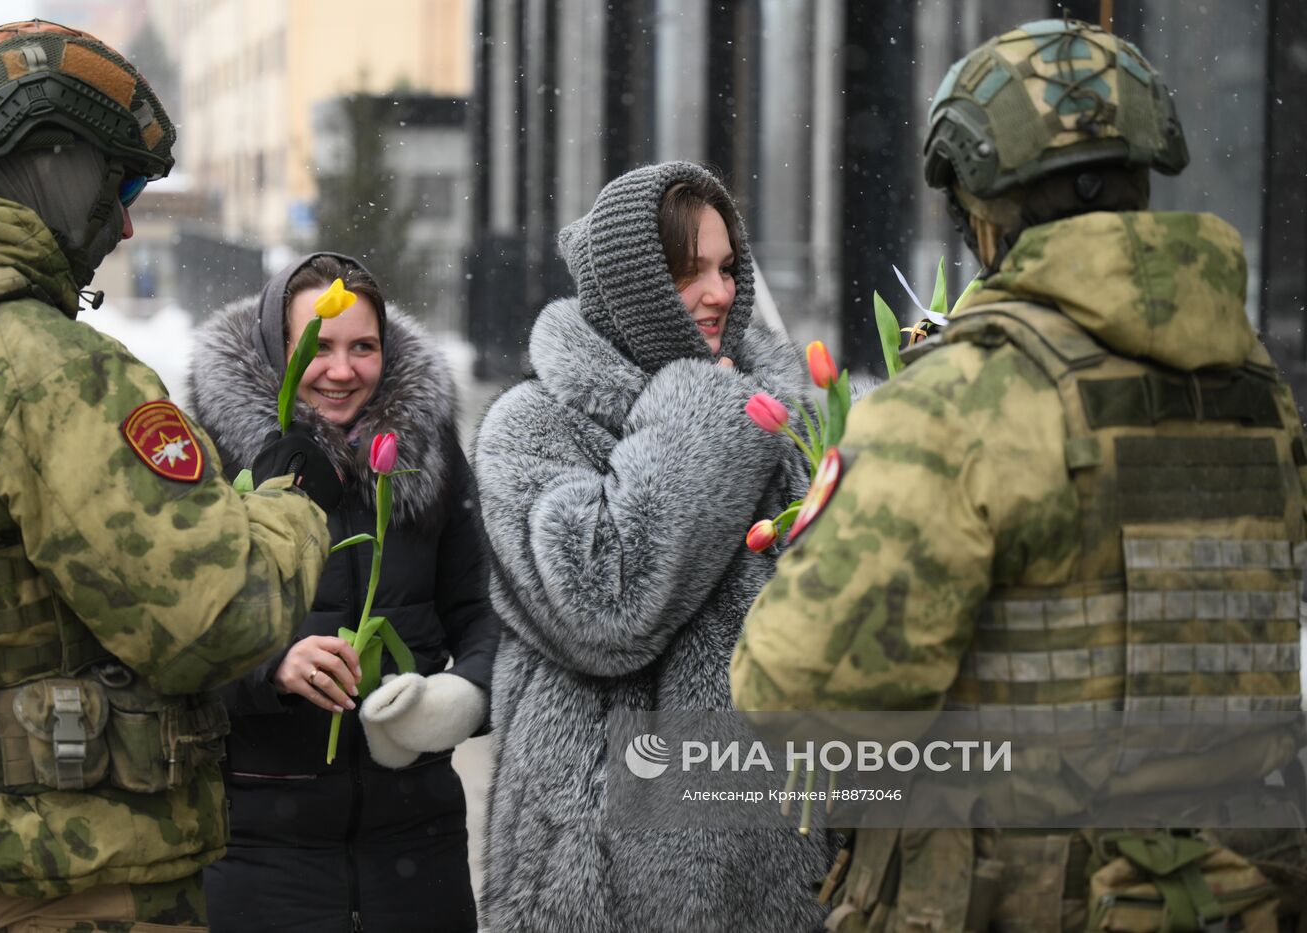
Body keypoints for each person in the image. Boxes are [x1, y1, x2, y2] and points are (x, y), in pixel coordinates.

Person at [732, 19, 1307, 931]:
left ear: (981, 209)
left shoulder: (964, 400)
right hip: (1237, 891)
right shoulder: (1256, 393)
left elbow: (797, 693)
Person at [0, 21, 341, 933]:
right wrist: (284, 510)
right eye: (124, 183)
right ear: (53, 165)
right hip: (67, 883)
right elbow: (216, 615)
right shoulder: (47, 368)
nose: (130, 218)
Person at [474, 161, 832, 932]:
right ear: (632, 288)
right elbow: (608, 603)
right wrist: (709, 410)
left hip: (772, 861)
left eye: (729, 268)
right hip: (601, 879)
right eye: (689, 271)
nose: (721, 292)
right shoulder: (534, 426)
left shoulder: (783, 420)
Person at [187, 252, 499, 933]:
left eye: (364, 347)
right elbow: (171, 636)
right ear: (278, 348)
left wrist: (463, 696)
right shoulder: (214, 462)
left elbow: (485, 611)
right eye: (318, 346)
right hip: (262, 851)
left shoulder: (427, 453)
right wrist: (273, 666)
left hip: (419, 845)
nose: (342, 369)